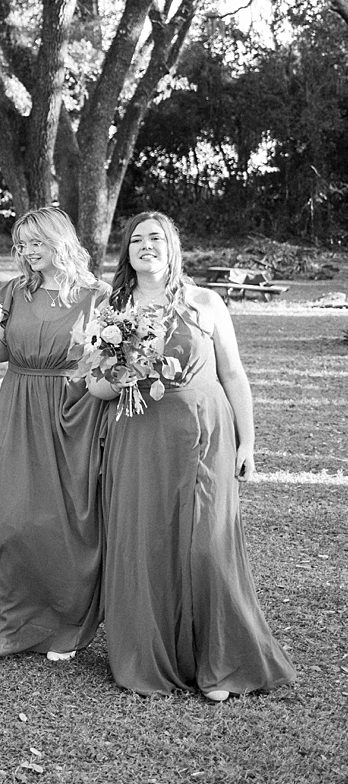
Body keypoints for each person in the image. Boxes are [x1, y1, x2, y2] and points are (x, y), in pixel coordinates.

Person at [88, 211, 295, 699]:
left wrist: (248, 442)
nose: (146, 245)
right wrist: (124, 369)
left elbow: (234, 374)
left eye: (156, 238)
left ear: (173, 246)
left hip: (205, 433)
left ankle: (220, 662)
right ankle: (152, 656)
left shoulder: (206, 303)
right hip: (138, 437)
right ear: (127, 252)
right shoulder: (109, 307)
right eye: (136, 239)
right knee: (146, 541)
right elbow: (94, 387)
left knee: (207, 542)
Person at [0, 207, 108, 660]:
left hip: (72, 407)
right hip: (19, 402)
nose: (26, 252)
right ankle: (9, 621)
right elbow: (3, 347)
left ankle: (63, 623)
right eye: (21, 245)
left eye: (35, 242)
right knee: (15, 515)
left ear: (58, 240)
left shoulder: (96, 295)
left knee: (65, 518)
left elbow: (107, 356)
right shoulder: (15, 291)